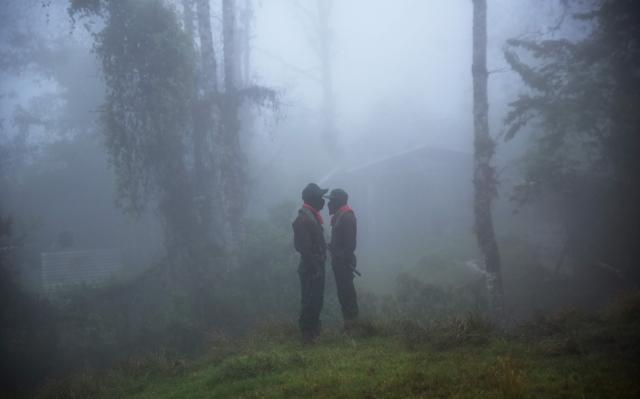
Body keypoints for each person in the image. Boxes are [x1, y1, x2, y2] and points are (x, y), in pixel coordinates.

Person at [292, 183, 328, 344]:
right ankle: (307, 336)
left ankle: (314, 333)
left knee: (316, 300)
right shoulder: (303, 219)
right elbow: (304, 249)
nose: (322, 201)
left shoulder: (311, 217)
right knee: (310, 301)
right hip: (310, 268)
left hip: (315, 266)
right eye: (319, 197)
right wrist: (315, 267)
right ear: (312, 199)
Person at [326, 188, 359, 329]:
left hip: (344, 264)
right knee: (344, 295)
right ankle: (350, 326)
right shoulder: (341, 216)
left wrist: (341, 258)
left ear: (338, 202)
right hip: (340, 263)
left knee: (347, 296)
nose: (328, 204)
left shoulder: (346, 216)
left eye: (331, 201)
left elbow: (350, 244)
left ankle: (353, 327)